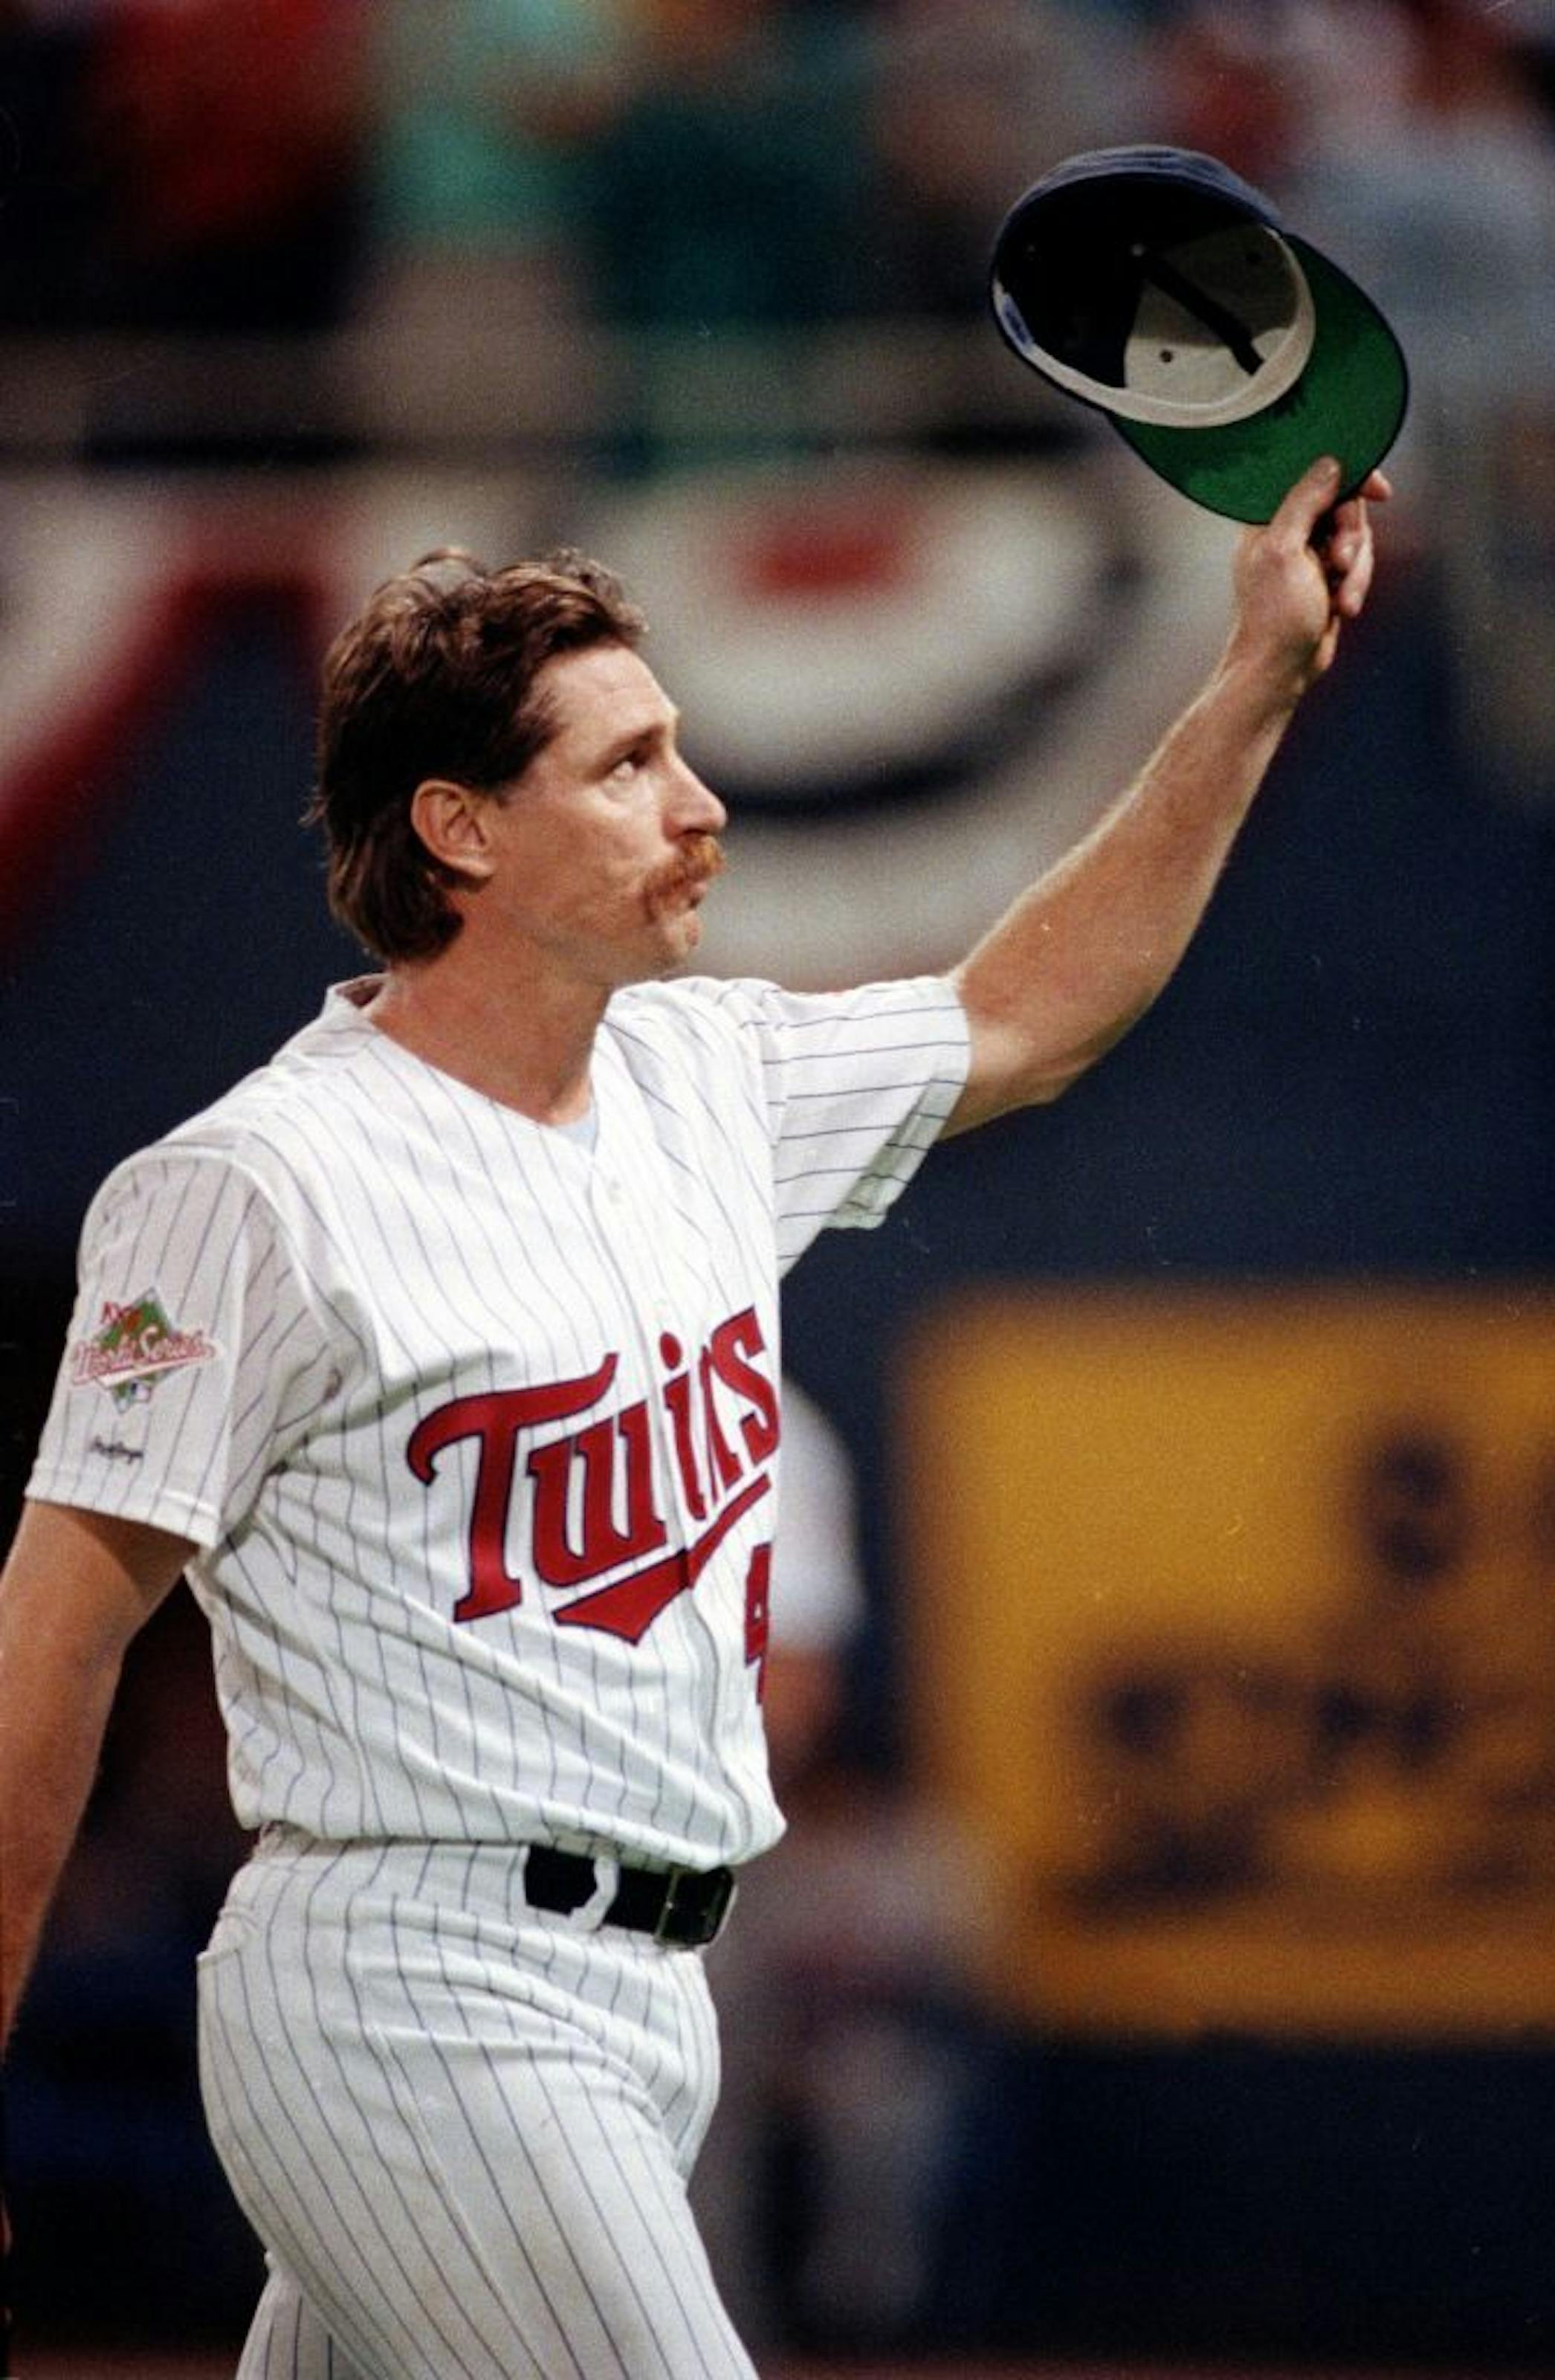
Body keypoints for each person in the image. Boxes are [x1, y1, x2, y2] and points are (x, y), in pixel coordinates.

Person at [0, 451, 1385, 2379]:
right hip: (417, 1987)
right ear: (459, 829)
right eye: (629, 762)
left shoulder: (703, 1075)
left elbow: (1028, 1015)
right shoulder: (257, 1186)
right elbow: (53, 1637)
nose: (703, 805)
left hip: (648, 2001)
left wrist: (1248, 685)